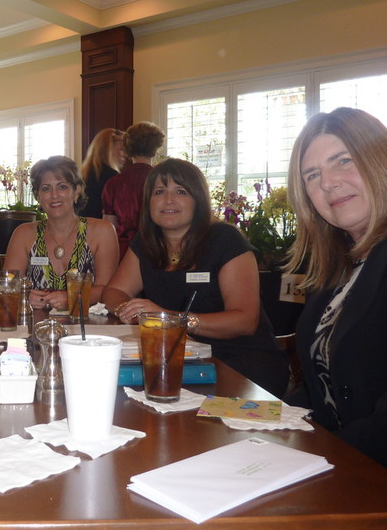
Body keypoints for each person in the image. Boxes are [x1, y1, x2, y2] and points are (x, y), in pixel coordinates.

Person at [284, 107, 387, 496]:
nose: (328, 182)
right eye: (312, 175)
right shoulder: (340, 263)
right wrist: (274, 424)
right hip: (349, 469)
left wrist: (319, 459)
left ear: (383, 160)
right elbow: (320, 381)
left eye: (343, 160)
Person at [103, 158, 289, 397]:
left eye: (181, 191)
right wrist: (126, 310)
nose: (169, 199)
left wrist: (172, 320)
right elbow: (114, 291)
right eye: (159, 192)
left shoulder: (225, 240)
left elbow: (245, 321)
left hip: (243, 367)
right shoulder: (146, 242)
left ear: (198, 200)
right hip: (183, 362)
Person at [4, 156, 119, 311]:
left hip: (88, 322)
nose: (54, 195)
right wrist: (24, 296)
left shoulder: (102, 231)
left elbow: (108, 290)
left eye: (62, 187)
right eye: (46, 189)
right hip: (35, 322)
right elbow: (7, 286)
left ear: (77, 191)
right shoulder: (23, 234)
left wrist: (73, 298)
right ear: (38, 196)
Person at [102, 121, 165, 258]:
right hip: (156, 249)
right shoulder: (162, 180)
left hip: (123, 252)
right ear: (155, 147)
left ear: (128, 149)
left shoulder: (113, 183)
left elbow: (109, 226)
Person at [79, 127, 126, 219]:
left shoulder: (84, 175)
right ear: (108, 149)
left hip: (82, 226)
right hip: (101, 226)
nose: (125, 154)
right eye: (122, 149)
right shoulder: (113, 178)